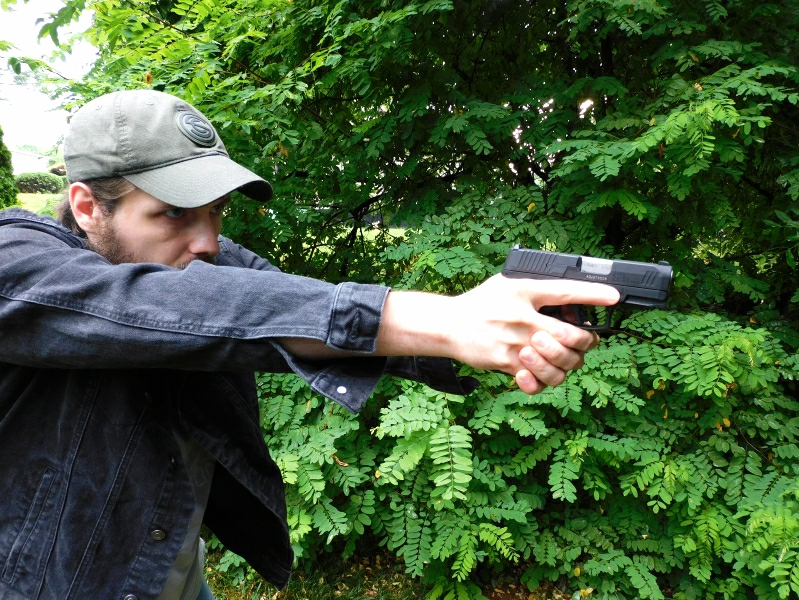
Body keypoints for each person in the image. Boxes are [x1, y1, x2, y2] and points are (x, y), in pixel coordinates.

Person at [0, 90, 619, 600]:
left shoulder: (198, 260)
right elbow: (154, 309)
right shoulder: (17, 261)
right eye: (175, 215)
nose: (209, 242)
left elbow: (295, 311)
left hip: (169, 576)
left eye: (216, 213)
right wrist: (449, 321)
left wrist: (490, 332)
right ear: (86, 206)